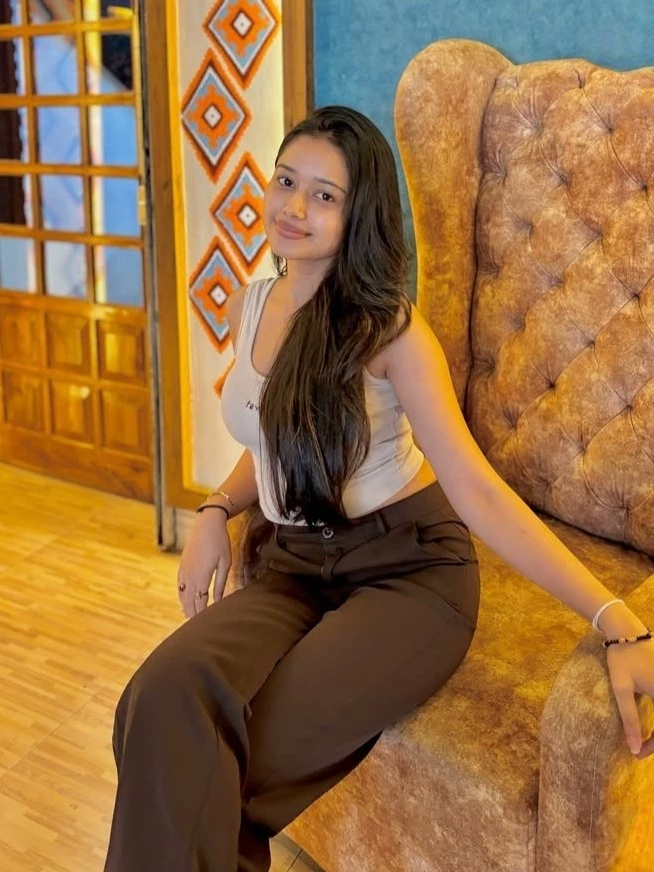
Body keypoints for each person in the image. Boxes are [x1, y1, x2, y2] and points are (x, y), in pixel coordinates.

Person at [104, 106, 654, 872]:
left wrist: (616, 619)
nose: (294, 207)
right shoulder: (253, 304)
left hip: (408, 573)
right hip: (296, 565)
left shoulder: (389, 333)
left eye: (324, 195)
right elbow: (271, 439)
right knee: (156, 698)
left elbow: (477, 490)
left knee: (222, 766)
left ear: (358, 213)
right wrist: (214, 508)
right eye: (286, 181)